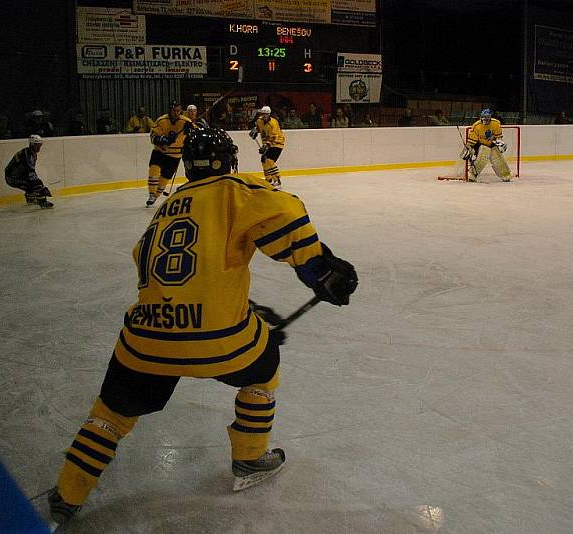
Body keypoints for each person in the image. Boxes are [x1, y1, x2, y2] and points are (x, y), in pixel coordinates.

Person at [47, 127, 358, 525]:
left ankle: (68, 494)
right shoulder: (234, 189)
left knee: (110, 412)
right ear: (228, 161)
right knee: (265, 369)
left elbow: (170, 272)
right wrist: (320, 271)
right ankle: (248, 458)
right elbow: (284, 212)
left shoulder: (167, 207)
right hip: (220, 342)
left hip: (146, 336)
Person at [145, 101, 194, 206]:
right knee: (154, 170)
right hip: (160, 151)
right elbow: (153, 136)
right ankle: (151, 194)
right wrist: (162, 140)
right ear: (169, 110)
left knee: (165, 177)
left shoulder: (186, 122)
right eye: (174, 110)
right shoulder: (161, 120)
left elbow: (194, 135)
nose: (176, 113)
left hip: (175, 154)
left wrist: (191, 130)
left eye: (178, 111)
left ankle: (157, 194)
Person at [461, 108, 511, 182]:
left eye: (487, 117)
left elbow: (498, 137)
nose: (485, 119)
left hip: (492, 144)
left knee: (497, 158)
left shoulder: (496, 123)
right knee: (482, 157)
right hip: (480, 144)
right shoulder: (476, 126)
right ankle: (472, 174)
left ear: (490, 116)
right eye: (484, 117)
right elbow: (471, 142)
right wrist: (468, 148)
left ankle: (506, 175)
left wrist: (500, 144)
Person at [4, 135, 54, 208]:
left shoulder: (28, 152)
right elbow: (31, 173)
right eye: (37, 145)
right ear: (32, 144)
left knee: (32, 184)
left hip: (13, 176)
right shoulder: (28, 154)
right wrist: (41, 188)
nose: (39, 147)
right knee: (35, 184)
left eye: (40, 145)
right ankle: (42, 202)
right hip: (12, 178)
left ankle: (30, 199)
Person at [249, 106, 285, 189]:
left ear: (269, 114)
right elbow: (259, 128)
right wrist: (255, 131)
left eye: (266, 114)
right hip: (267, 144)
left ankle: (277, 179)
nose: (264, 116)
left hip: (277, 143)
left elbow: (274, 136)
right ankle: (268, 179)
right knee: (263, 160)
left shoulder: (273, 122)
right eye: (263, 114)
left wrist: (266, 145)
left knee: (269, 160)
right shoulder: (259, 120)